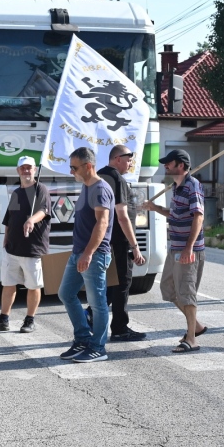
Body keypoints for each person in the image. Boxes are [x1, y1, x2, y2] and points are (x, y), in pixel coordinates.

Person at [144, 149, 207, 353]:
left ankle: (192, 339)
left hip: (188, 250)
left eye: (169, 163)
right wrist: (155, 208)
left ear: (180, 165)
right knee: (169, 289)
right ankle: (196, 326)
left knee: (187, 293)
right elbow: (176, 214)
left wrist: (189, 248)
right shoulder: (177, 187)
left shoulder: (192, 186)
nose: (165, 166)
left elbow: (198, 217)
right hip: (176, 248)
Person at [57, 147, 114, 364]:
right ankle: (82, 339)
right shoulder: (86, 186)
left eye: (74, 167)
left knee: (97, 303)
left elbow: (103, 223)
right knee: (66, 293)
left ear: (88, 166)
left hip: (94, 255)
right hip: (79, 253)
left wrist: (88, 253)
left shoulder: (100, 188)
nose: (71, 171)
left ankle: (98, 347)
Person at [0, 156, 51, 334]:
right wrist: (6, 237)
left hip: (32, 248)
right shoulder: (16, 192)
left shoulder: (41, 189)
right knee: (8, 283)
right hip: (12, 248)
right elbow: (10, 218)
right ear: (18, 171)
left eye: (29, 168)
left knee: (33, 286)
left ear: (35, 170)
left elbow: (43, 211)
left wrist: (31, 220)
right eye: (23, 168)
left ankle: (29, 320)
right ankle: (3, 319)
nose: (26, 171)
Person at [87, 145, 148, 341]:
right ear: (117, 158)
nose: (131, 163)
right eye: (129, 159)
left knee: (108, 282)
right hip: (119, 240)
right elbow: (122, 217)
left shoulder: (98, 176)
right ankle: (120, 327)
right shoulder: (116, 179)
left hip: (102, 238)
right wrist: (135, 246)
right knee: (122, 282)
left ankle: (90, 314)